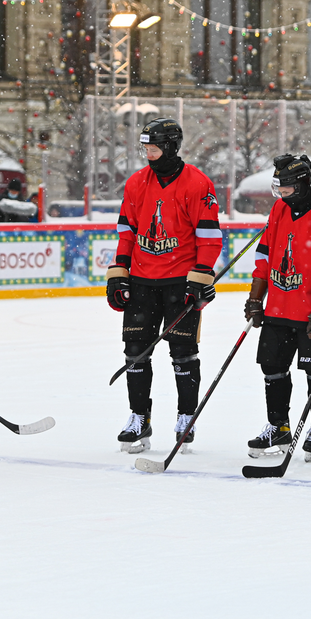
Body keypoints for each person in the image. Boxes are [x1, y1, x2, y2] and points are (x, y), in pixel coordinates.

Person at [106, 118, 222, 453]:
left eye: (153, 148)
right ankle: (138, 417)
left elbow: (209, 236)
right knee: (135, 352)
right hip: (142, 281)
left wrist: (201, 275)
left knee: (183, 353)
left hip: (179, 282)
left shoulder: (198, 184)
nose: (148, 154)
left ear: (170, 146)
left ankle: (187, 416)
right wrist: (120, 272)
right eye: (145, 148)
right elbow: (126, 232)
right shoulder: (136, 183)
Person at [244, 154, 311, 460]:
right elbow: (264, 257)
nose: (281, 195)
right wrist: (255, 298)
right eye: (278, 188)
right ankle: (279, 426)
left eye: (286, 188)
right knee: (272, 368)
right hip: (278, 308)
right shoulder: (279, 209)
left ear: (302, 185)